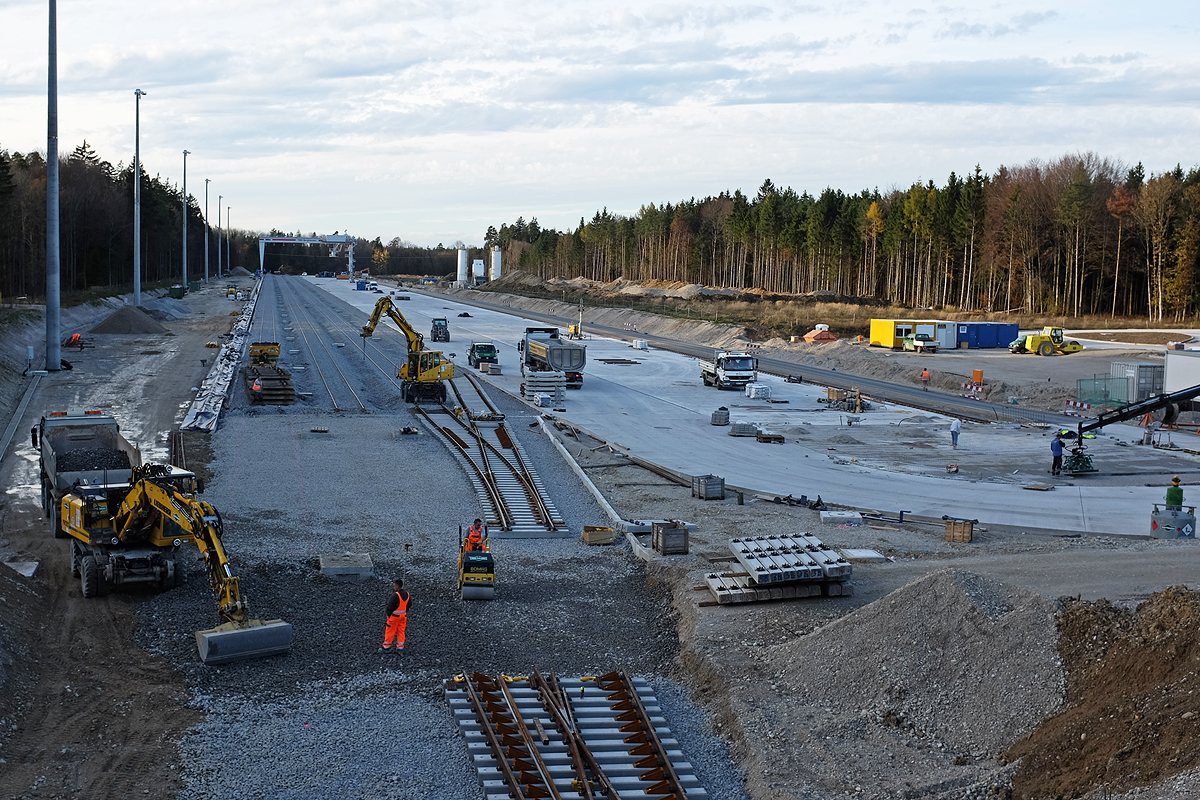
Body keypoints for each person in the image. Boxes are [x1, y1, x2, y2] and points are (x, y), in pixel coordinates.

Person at [381, 578, 409, 650]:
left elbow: (390, 606)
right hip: (403, 616)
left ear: (397, 586)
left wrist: (389, 614)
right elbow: (409, 605)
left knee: (390, 630)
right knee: (401, 631)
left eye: (394, 586)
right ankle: (400, 647)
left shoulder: (395, 595)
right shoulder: (407, 594)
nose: (394, 587)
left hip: (394, 617)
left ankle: (386, 646)